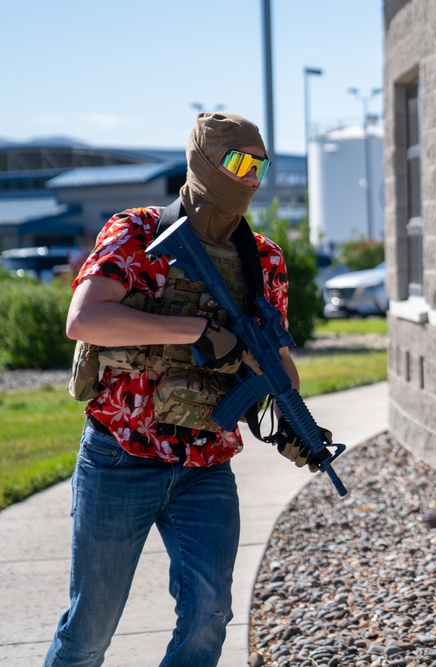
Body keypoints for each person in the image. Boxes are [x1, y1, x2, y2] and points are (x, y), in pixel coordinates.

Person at [45, 112, 322, 667]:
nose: (251, 179)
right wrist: (198, 332)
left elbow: (281, 363)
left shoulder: (263, 258)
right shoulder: (138, 231)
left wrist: (292, 417)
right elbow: (85, 319)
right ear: (203, 161)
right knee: (90, 630)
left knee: (210, 613)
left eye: (260, 166)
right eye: (239, 163)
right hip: (122, 455)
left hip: (206, 461)